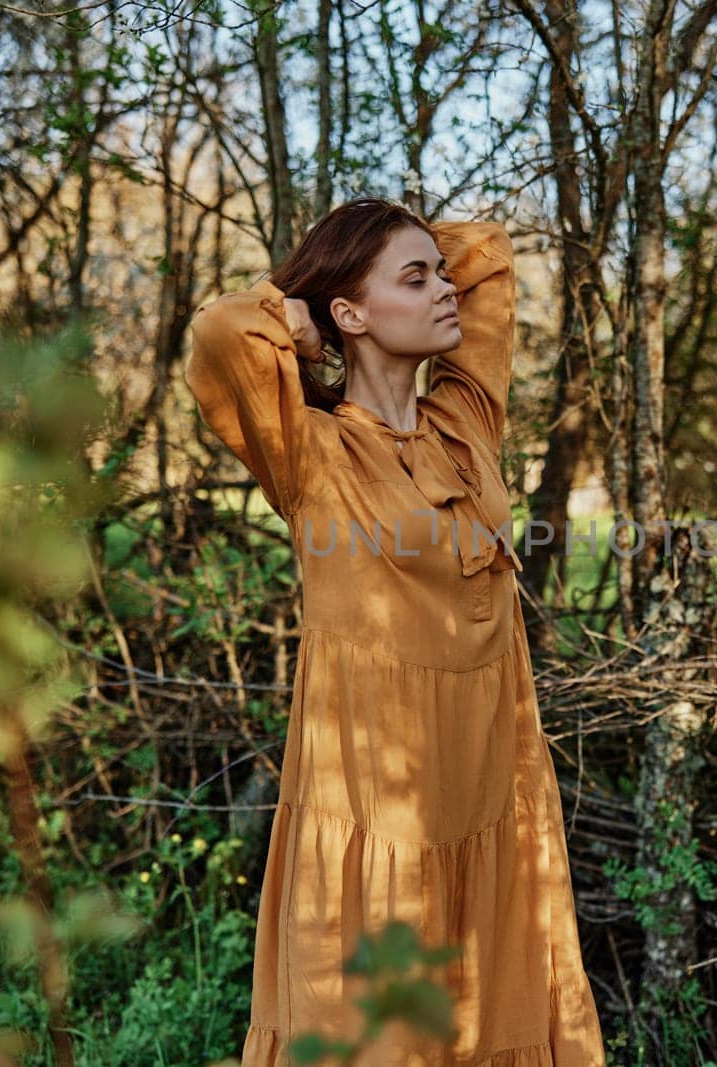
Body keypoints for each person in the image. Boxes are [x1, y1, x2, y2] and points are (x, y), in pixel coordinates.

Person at [184, 197, 606, 1064]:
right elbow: (221, 334)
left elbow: (486, 255)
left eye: (434, 273)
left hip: (489, 776)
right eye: (415, 280)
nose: (445, 288)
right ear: (350, 313)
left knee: (493, 1005)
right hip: (375, 795)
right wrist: (302, 326)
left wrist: (405, 261)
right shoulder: (311, 451)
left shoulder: (466, 424)